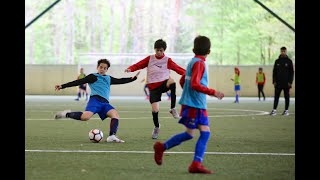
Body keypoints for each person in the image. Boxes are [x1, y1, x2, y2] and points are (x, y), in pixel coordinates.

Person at [153, 35, 224, 174]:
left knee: (190, 134)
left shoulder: (193, 62)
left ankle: (162, 147)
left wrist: (188, 91)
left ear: (193, 49)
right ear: (209, 51)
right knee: (205, 133)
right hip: (195, 104)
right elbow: (195, 84)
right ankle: (196, 163)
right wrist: (213, 92)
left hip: (193, 103)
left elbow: (183, 81)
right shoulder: (200, 63)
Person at [54, 59, 140, 143]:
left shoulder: (108, 78)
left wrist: (132, 78)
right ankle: (66, 114)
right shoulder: (93, 77)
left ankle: (112, 136)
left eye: (104, 68)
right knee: (85, 117)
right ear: (97, 67)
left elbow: (120, 80)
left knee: (115, 115)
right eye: (101, 67)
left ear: (107, 69)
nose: (102, 69)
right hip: (95, 101)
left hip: (105, 103)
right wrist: (62, 86)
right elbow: (79, 81)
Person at [124, 39, 185, 139]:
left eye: (161, 50)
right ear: (154, 49)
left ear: (164, 50)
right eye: (157, 50)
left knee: (172, 82)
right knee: (155, 110)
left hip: (164, 83)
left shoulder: (167, 60)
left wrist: (188, 74)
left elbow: (178, 69)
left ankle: (173, 108)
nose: (159, 52)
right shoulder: (150, 59)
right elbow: (138, 64)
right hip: (153, 87)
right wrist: (130, 68)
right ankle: (157, 127)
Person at [270, 47, 294, 116]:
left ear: (286, 52)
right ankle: (274, 110)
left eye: (284, 51)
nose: (283, 52)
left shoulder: (289, 61)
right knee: (276, 97)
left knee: (287, 97)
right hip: (278, 83)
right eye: (282, 51)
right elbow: (274, 72)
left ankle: (286, 111)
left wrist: (290, 82)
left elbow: (292, 73)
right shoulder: (277, 61)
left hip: (286, 83)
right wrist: (274, 81)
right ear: (280, 52)